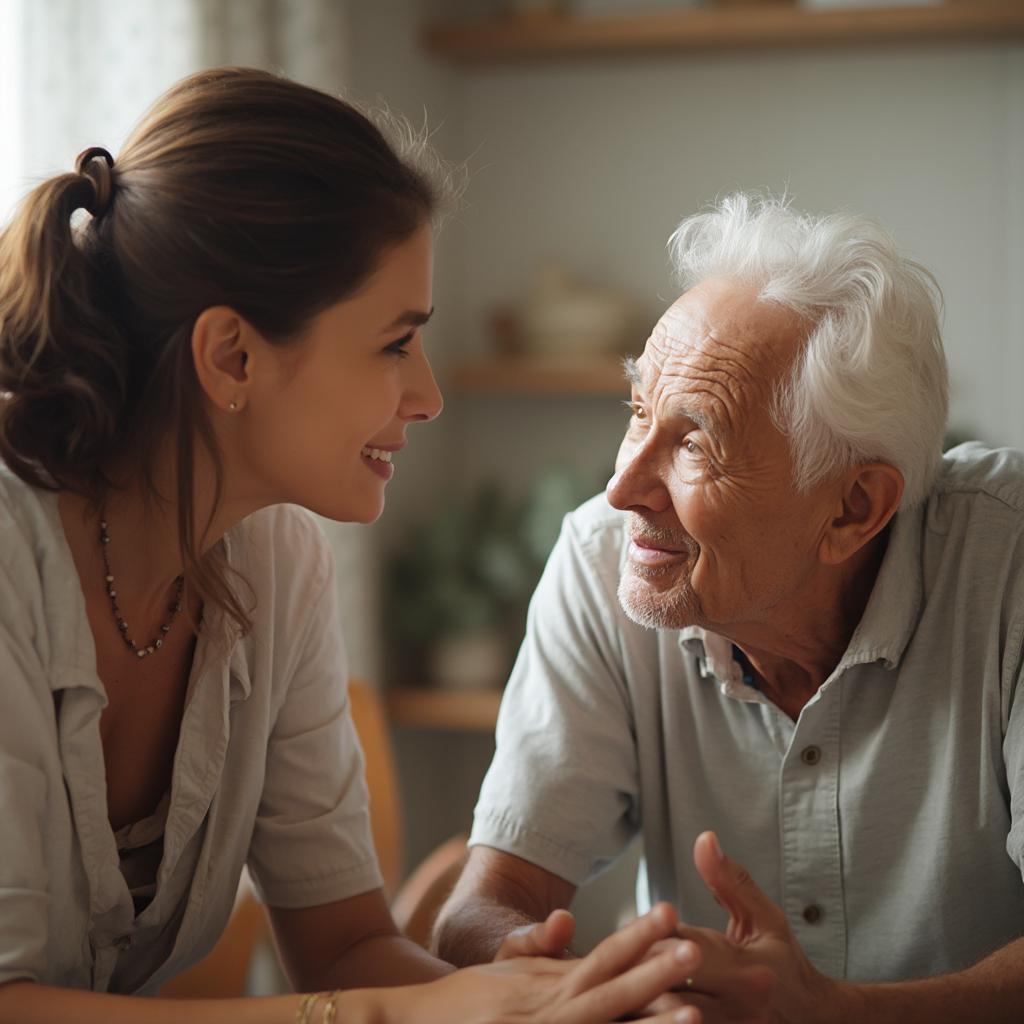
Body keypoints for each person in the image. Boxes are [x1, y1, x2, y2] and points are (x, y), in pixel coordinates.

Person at [0, 67, 702, 1024]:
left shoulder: (274, 559)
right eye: (394, 344)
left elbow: (344, 946)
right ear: (231, 357)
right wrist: (380, 1017)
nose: (427, 395)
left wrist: (546, 998)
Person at [433, 194, 1024, 1023]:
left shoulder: (1010, 563)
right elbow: (481, 905)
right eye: (638, 412)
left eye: (695, 442)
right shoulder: (605, 558)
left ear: (854, 508)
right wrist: (548, 974)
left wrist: (833, 1013)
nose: (622, 488)